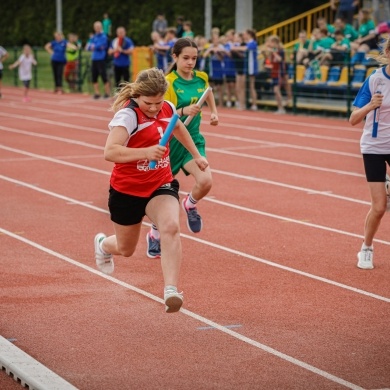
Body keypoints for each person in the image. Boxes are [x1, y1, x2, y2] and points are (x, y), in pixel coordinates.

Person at [94, 67, 209, 313]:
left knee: (170, 226)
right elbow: (110, 152)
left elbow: (178, 127)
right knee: (126, 249)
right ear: (137, 96)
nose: (155, 108)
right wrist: (146, 153)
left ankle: (170, 290)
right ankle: (103, 245)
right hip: (127, 190)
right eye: (149, 103)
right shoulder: (128, 116)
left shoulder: (166, 107)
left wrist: (196, 155)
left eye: (158, 102)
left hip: (160, 183)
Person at [146, 37, 219, 258]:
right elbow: (161, 115)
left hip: (191, 141)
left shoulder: (201, 77)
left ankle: (190, 203)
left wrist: (214, 111)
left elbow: (208, 92)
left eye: (194, 58)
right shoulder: (168, 83)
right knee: (161, 196)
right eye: (186, 58)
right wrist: (183, 111)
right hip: (168, 143)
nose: (190, 63)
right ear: (175, 57)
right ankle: (155, 234)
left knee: (206, 181)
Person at [349, 37, 390, 270]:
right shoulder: (375, 80)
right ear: (387, 52)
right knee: (379, 207)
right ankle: (366, 248)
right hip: (374, 147)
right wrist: (371, 105)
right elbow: (353, 119)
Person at [86, 21, 111, 99]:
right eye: (96, 27)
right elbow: (88, 47)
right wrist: (93, 46)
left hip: (101, 58)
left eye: (99, 27)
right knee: (94, 76)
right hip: (94, 58)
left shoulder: (104, 36)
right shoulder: (94, 37)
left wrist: (94, 46)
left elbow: (101, 46)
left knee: (103, 76)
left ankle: (107, 93)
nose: (97, 28)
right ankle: (97, 93)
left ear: (101, 27)